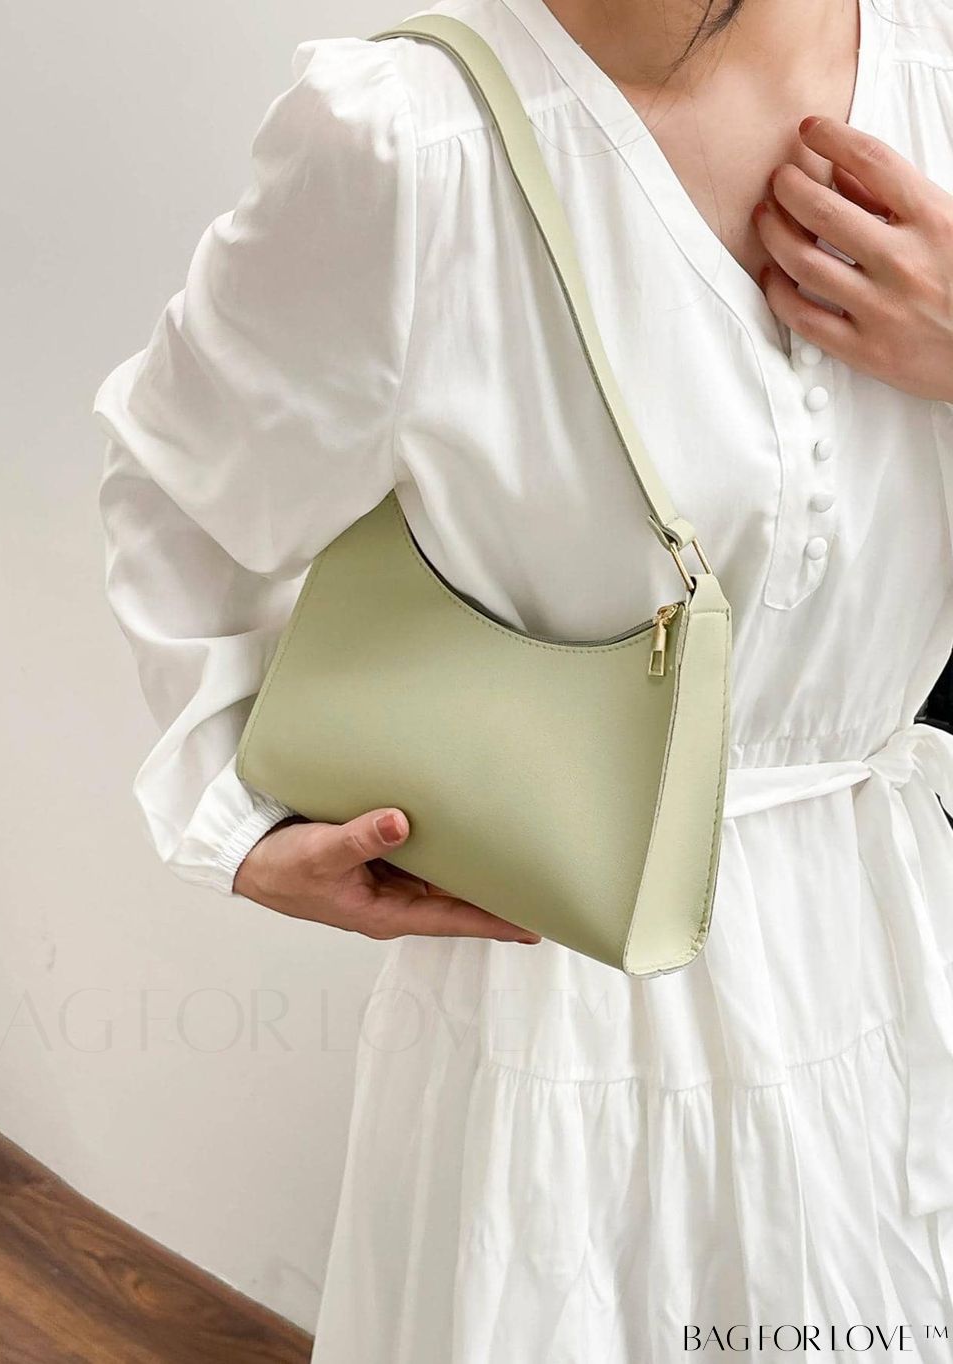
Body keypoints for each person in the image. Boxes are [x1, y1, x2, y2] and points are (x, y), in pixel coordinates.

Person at [93, 0, 953, 1357]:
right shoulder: (409, 139)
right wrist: (235, 813)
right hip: (574, 992)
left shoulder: (934, 64)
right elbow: (184, 484)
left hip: (905, 941)